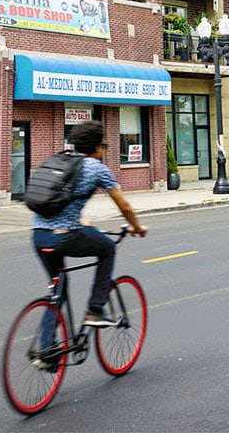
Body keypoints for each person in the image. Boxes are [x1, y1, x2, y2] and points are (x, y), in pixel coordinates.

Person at [31, 120, 148, 327]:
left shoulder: (59, 159)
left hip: (39, 235)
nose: (103, 150)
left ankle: (46, 354)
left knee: (58, 292)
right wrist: (137, 227)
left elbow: (60, 198)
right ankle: (95, 310)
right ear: (96, 147)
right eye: (104, 145)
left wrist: (80, 219)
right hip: (64, 236)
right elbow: (125, 207)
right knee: (108, 249)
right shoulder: (97, 168)